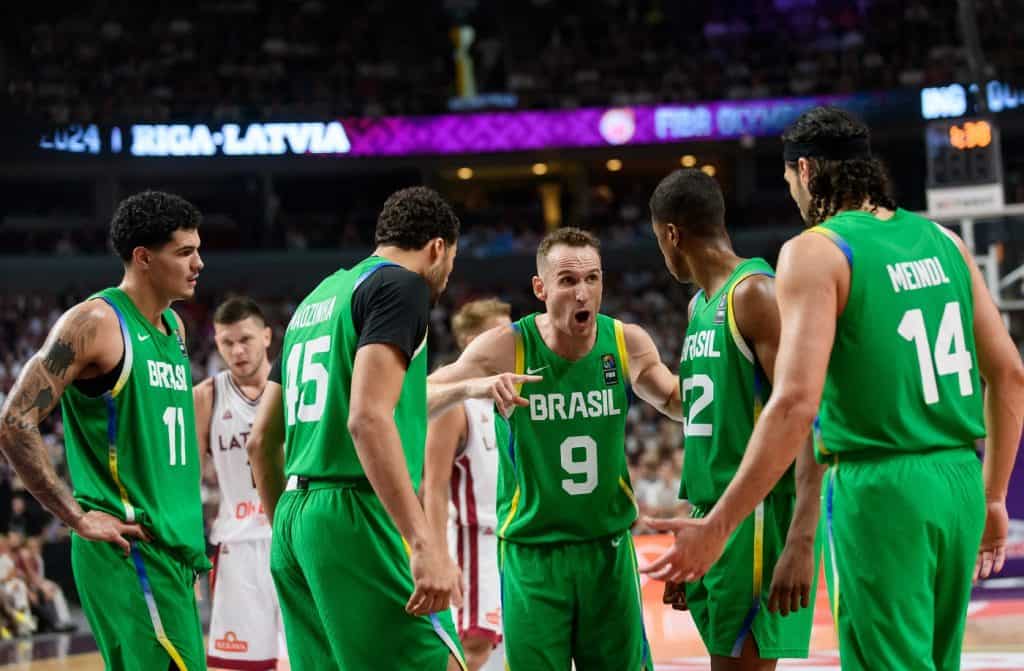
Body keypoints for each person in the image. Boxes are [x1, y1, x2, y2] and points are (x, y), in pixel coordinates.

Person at [641, 107, 1024, 671]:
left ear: (806, 170)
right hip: (960, 480)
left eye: (791, 180)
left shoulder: (815, 250)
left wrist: (718, 526)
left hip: (882, 487)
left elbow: (796, 403)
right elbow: (1010, 373)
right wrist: (994, 496)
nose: (792, 193)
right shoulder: (943, 240)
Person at [247, 186, 532, 671]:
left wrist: (291, 539)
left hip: (295, 516)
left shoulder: (319, 298)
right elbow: (367, 418)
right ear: (438, 248)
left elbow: (260, 441)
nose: (448, 274)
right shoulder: (403, 286)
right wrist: (425, 544)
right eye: (453, 260)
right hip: (354, 512)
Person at [428, 226, 683, 670]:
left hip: (607, 550)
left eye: (592, 279)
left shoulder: (625, 342)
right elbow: (415, 399)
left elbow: (674, 399)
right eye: (568, 280)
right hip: (533, 554)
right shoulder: (508, 346)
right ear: (541, 288)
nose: (583, 292)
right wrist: (475, 384)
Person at [0, 190, 209, 670]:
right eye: (184, 252)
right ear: (143, 258)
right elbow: (14, 422)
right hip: (127, 550)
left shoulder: (174, 328)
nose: (199, 263)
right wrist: (76, 517)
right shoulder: (95, 322)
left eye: (198, 249)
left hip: (171, 556)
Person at [646, 168, 821, 670]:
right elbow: (709, 423)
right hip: (715, 520)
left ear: (672, 234)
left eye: (659, 240)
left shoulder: (755, 294)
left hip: (758, 521)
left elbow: (808, 417)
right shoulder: (702, 304)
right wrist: (696, 535)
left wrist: (802, 539)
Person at [193, 297, 285, 671]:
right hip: (236, 545)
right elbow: (189, 481)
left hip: (290, 537)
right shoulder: (205, 396)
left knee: (316, 656)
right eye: (226, 342)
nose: (237, 350)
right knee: (238, 666)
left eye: (245, 339)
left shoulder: (295, 388)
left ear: (266, 336)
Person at [422, 299, 513, 671]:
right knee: (469, 646)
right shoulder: (455, 404)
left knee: (499, 647)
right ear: (473, 341)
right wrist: (439, 555)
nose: (511, 342)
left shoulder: (510, 396)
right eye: (500, 334)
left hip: (510, 541)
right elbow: (433, 484)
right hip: (471, 542)